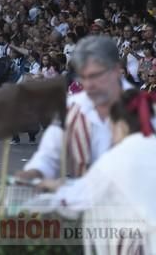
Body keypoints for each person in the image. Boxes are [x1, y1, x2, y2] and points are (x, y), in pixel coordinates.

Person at [26, 90, 156, 254]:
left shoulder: (118, 157)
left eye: (112, 129)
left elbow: (82, 197)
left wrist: (54, 188)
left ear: (121, 126)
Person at [17, 35, 130, 181]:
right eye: (83, 75)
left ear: (115, 70)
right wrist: (35, 171)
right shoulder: (74, 105)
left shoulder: (140, 106)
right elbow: (49, 153)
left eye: (96, 75)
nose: (88, 84)